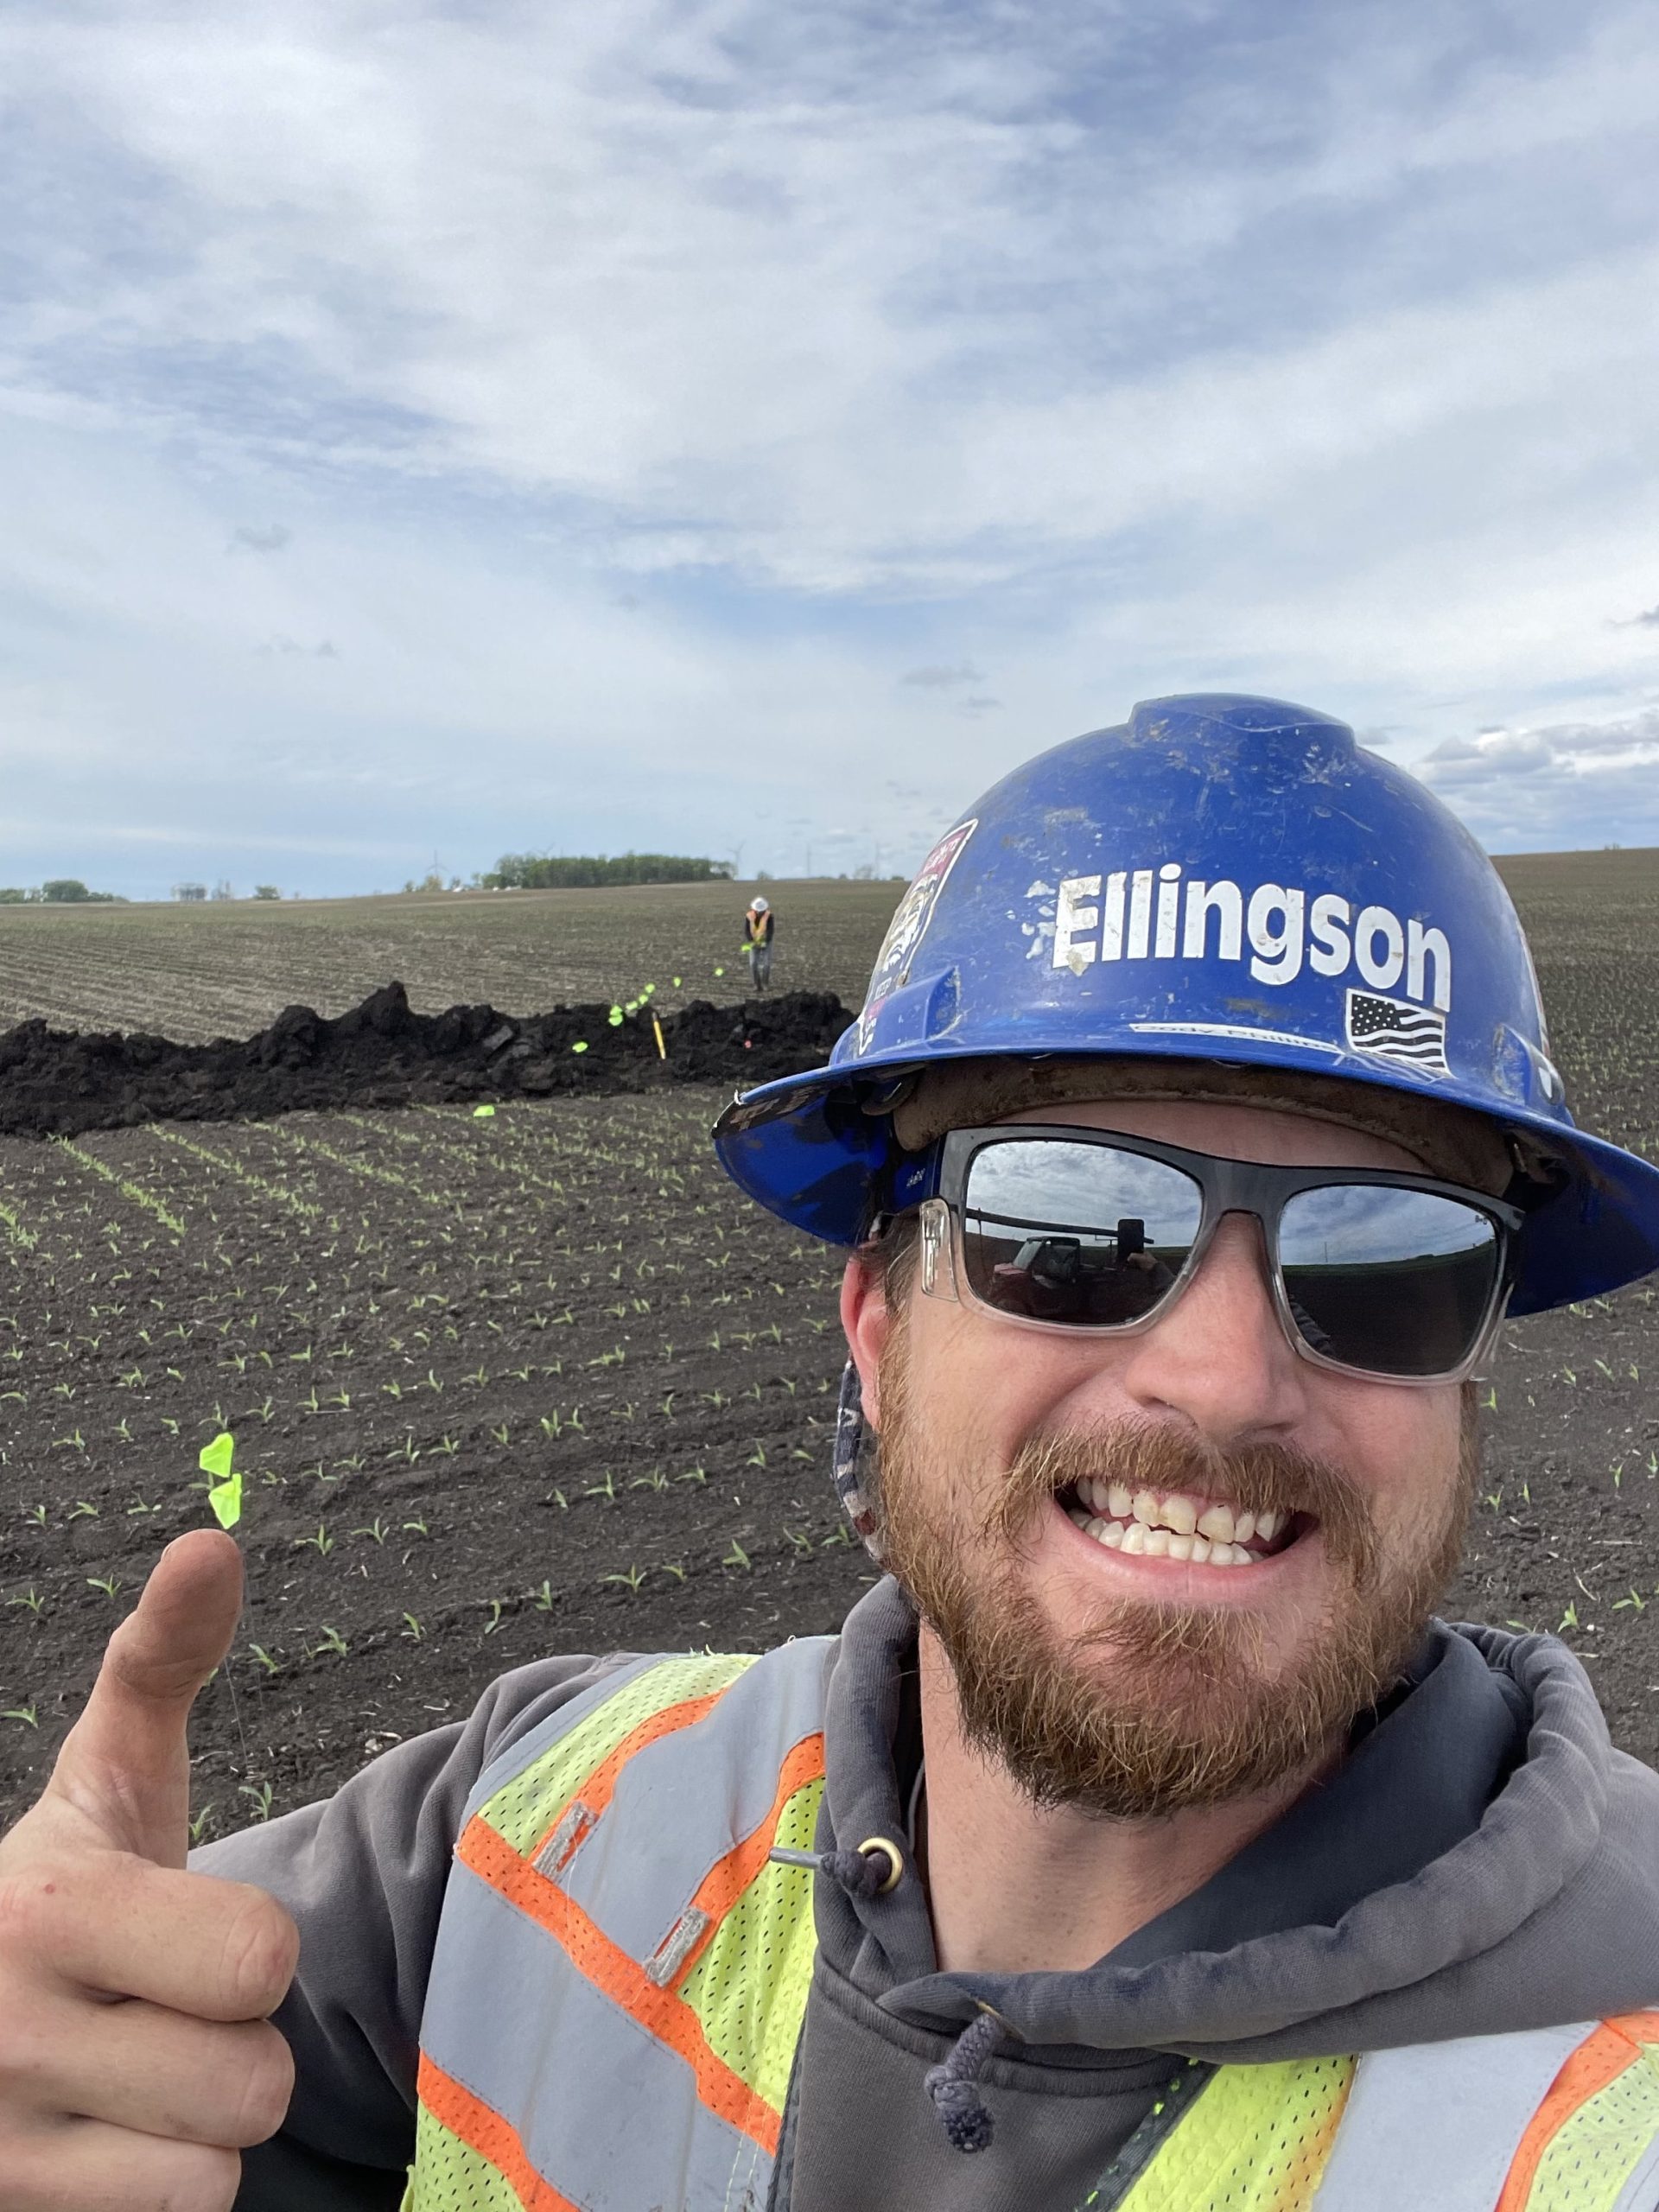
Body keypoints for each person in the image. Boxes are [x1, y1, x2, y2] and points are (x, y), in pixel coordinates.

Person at [3, 692, 1659, 2212]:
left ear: (1471, 1371)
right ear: (876, 1325)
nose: (1225, 1384)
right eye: (1065, 1224)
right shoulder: (523, 1826)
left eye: (1388, 1261)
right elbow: (91, 2053)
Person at [745, 893, 775, 988]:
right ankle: (757, 984)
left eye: (761, 911)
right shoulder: (749, 916)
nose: (759, 912)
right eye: (757, 911)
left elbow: (770, 931)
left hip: (766, 942)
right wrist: (751, 941)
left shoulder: (769, 916)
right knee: (753, 964)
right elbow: (746, 930)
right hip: (754, 943)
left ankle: (765, 984)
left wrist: (765, 942)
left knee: (766, 964)